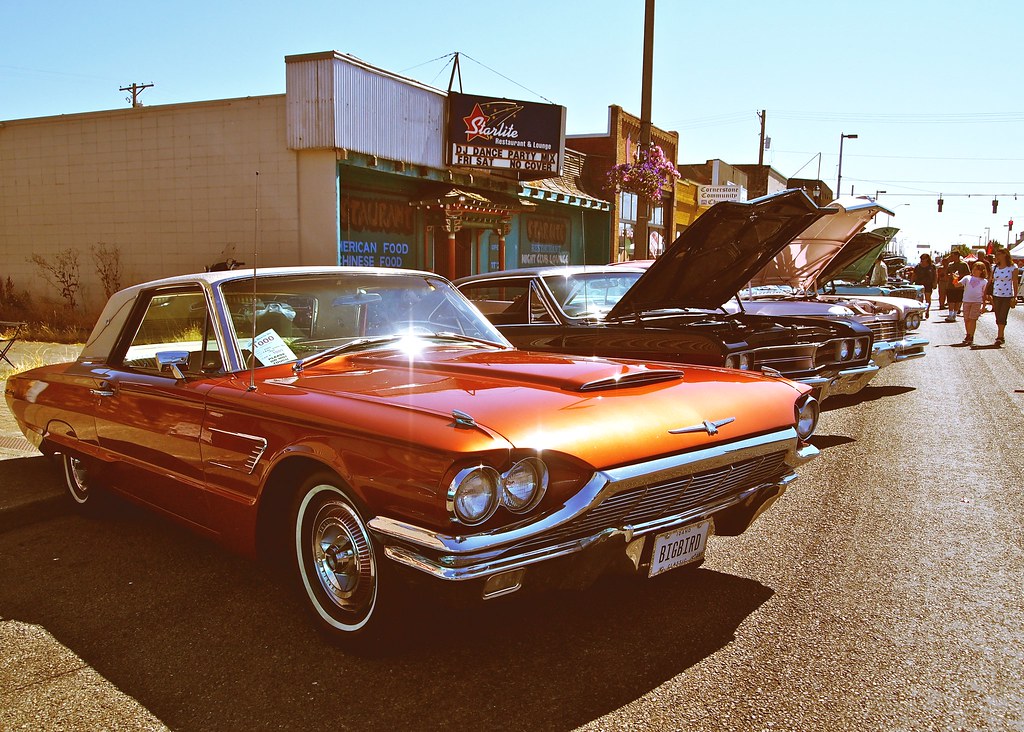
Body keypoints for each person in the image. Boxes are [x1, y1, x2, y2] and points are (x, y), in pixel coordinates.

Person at [990, 248, 1019, 346]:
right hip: (996, 294)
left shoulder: (1012, 267)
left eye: (999, 254)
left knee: (1003, 315)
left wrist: (1015, 296)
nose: (997, 256)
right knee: (998, 315)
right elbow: (991, 280)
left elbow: (1015, 282)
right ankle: (1000, 333)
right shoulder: (994, 267)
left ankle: (1000, 336)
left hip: (1007, 295)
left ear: (1005, 255)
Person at [956, 261, 989, 345]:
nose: (974, 271)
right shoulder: (967, 278)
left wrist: (984, 305)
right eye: (973, 269)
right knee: (966, 319)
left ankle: (971, 336)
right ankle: (968, 334)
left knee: (972, 319)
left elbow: (984, 294)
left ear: (982, 271)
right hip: (966, 300)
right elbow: (957, 285)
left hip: (976, 302)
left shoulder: (984, 281)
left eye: (977, 269)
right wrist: (955, 278)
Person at [944, 251, 970, 322]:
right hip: (950, 285)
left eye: (953, 256)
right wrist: (949, 276)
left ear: (957, 256)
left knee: (957, 301)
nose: (951, 257)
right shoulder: (950, 265)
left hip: (960, 286)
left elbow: (968, 274)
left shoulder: (964, 264)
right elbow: (946, 273)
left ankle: (954, 315)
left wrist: (959, 276)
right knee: (950, 301)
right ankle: (950, 315)